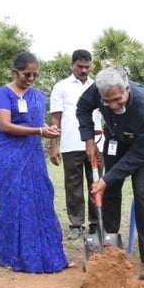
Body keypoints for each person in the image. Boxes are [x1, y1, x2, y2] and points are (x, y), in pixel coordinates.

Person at [76, 66, 144, 280]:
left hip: (141, 143)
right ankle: (107, 250)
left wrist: (106, 178)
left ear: (127, 89)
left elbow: (138, 156)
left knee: (141, 192)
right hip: (115, 137)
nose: (113, 106)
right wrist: (88, 140)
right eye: (107, 102)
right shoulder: (98, 90)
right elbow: (82, 108)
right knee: (111, 189)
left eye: (117, 100)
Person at [0, 50, 69, 273]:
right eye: (26, 74)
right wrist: (39, 131)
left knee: (39, 197)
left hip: (32, 153)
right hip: (9, 155)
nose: (31, 79)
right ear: (15, 72)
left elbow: (37, 123)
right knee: (13, 200)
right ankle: (12, 254)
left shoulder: (38, 96)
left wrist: (48, 129)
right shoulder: (3, 93)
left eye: (34, 75)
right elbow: (5, 125)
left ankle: (43, 251)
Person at [49, 50, 103, 240]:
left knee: (97, 183)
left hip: (97, 144)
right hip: (71, 144)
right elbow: (55, 118)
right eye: (80, 66)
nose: (83, 70)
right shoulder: (61, 87)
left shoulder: (98, 86)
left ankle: (96, 224)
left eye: (87, 67)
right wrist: (53, 146)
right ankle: (76, 224)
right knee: (73, 186)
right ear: (72, 65)